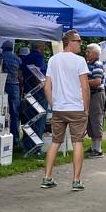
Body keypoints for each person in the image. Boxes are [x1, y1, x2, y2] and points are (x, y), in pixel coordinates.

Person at [40, 30, 90, 191]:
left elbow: (47, 87)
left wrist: (53, 104)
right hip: (76, 106)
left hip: (59, 107)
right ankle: (76, 180)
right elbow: (84, 86)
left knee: (55, 142)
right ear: (70, 42)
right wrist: (86, 107)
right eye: (78, 41)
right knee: (77, 142)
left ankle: (47, 177)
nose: (80, 44)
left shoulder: (53, 60)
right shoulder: (80, 61)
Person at [20, 42, 48, 150]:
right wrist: (44, 88)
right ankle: (36, 148)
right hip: (39, 93)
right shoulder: (39, 58)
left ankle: (27, 144)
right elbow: (38, 76)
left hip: (28, 92)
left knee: (29, 120)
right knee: (39, 120)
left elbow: (20, 75)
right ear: (41, 46)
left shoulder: (26, 58)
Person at [83, 43, 106, 157]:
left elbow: (97, 81)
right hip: (90, 95)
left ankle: (98, 149)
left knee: (96, 119)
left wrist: (83, 82)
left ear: (96, 54)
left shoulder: (97, 64)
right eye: (86, 51)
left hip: (96, 95)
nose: (86, 53)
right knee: (90, 121)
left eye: (89, 52)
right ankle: (93, 147)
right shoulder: (88, 64)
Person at [0, 40, 23, 149]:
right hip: (14, 86)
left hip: (2, 85)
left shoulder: (0, 56)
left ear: (3, 48)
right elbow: (20, 75)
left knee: (1, 112)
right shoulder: (17, 59)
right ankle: (15, 138)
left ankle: (1, 134)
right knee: (14, 113)